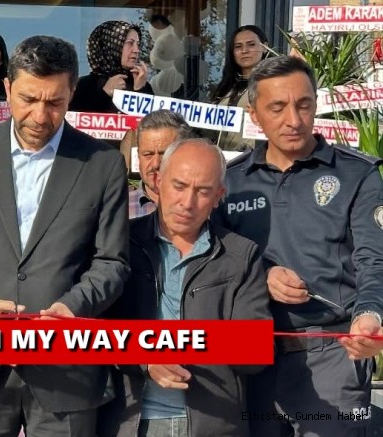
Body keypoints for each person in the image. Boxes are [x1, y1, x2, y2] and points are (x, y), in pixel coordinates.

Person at [0, 35, 130, 436]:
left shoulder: (103, 163)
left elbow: (112, 261)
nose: (40, 116)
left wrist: (72, 308)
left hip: (67, 371)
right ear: (7, 87)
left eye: (54, 102)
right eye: (28, 99)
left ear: (72, 93)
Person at [216, 55, 383, 436]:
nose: (294, 120)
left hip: (334, 358)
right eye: (277, 108)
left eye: (304, 105)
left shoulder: (357, 174)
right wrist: (260, 275)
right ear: (254, 114)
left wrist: (370, 316)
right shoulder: (230, 180)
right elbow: (213, 258)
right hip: (251, 361)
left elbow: (375, 260)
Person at [98, 138, 271, 437]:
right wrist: (145, 357)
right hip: (128, 420)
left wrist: (190, 344)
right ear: (158, 181)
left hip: (213, 424)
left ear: (218, 196)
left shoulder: (241, 256)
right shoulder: (120, 245)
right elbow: (93, 330)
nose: (187, 203)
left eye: (202, 191)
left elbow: (256, 352)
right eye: (179, 186)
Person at [70, 20, 153, 114]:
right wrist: (105, 93)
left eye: (138, 44)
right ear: (109, 45)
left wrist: (140, 91)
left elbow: (153, 121)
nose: (136, 50)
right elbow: (73, 118)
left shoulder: (142, 84)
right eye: (130, 43)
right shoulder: (84, 85)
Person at [208, 25, 268, 152]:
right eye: (238, 46)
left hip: (254, 156)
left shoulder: (272, 84)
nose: (244, 50)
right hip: (223, 156)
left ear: (264, 47)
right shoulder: (227, 86)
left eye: (251, 45)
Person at [130, 110, 193, 218]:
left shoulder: (204, 207)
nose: (155, 164)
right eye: (148, 154)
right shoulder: (119, 207)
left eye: (164, 154)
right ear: (138, 155)